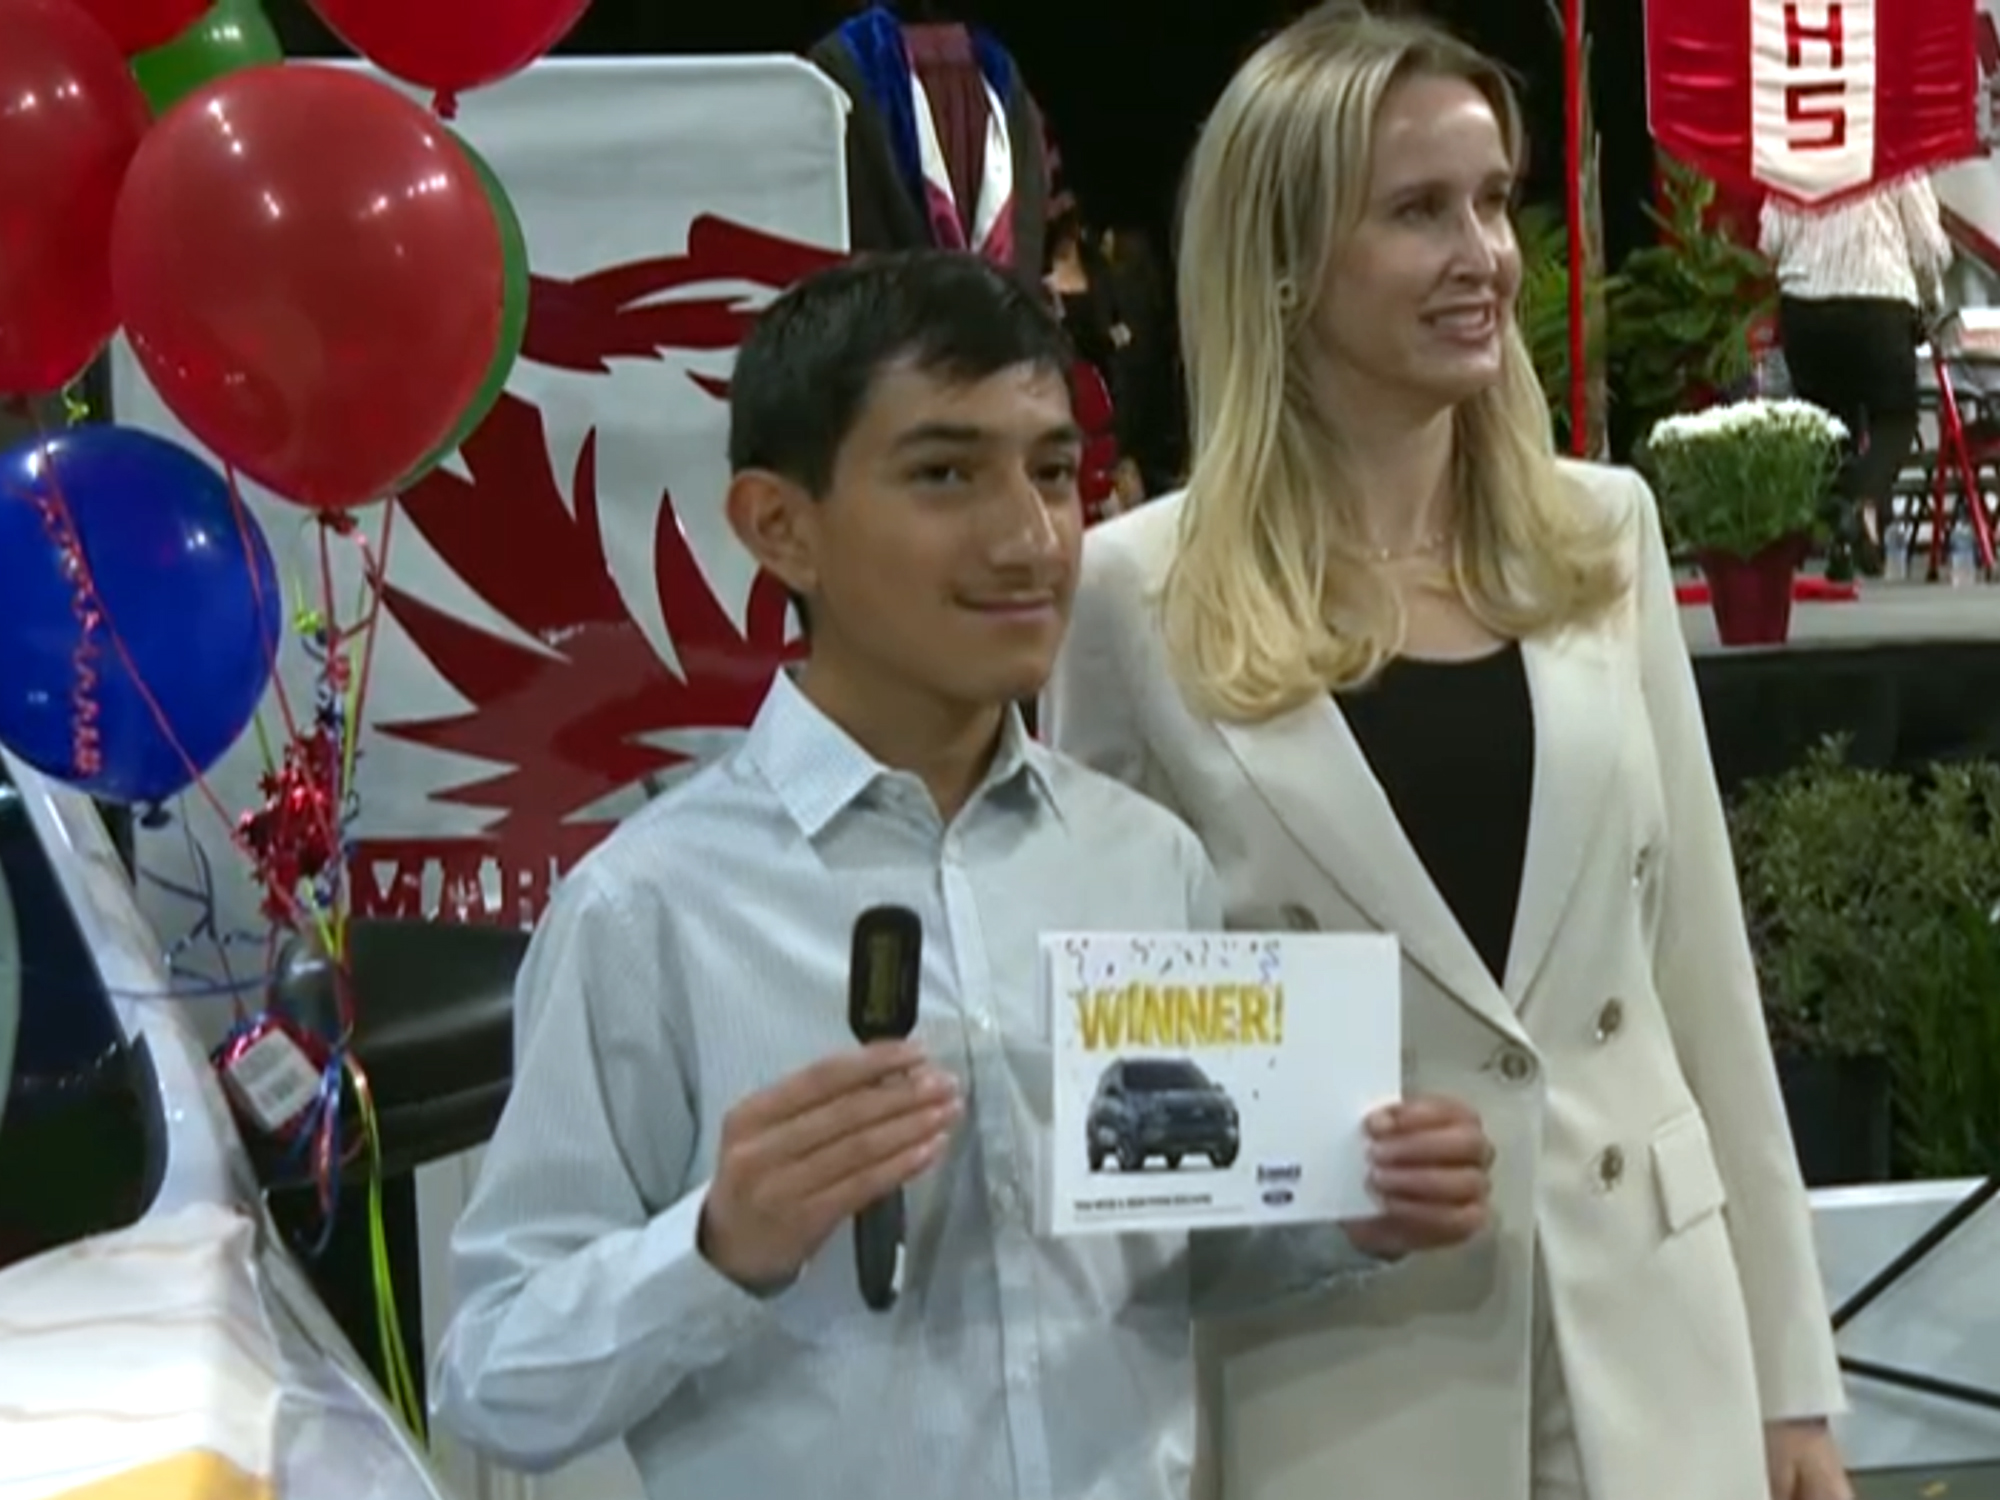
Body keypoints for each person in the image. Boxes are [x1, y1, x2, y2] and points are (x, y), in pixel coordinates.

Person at [428, 249, 1494, 1500]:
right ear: (780, 526)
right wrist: (717, 1245)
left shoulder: (1141, 859)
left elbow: (1170, 1248)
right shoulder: (648, 907)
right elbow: (493, 1374)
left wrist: (1345, 1210)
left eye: (1051, 472)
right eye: (944, 474)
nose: (1029, 536)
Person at [1044, 9, 1852, 1500]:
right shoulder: (1131, 596)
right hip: (1338, 1383)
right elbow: (1117, 1074)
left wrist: (1792, 1379)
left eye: (1494, 202)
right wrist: (1311, 1194)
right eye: (1421, 211)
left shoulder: (1604, 535)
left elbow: (1699, 985)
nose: (1485, 252)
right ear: (1282, 259)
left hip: (1656, 1356)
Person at [1760, 174, 1953, 576]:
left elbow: (1769, 239)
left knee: (1831, 428)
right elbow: (1928, 247)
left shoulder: (1797, 153)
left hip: (1806, 309)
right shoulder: (1896, 156)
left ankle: (1845, 540)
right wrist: (1931, 300)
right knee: (1896, 421)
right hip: (1878, 304)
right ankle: (1861, 500)